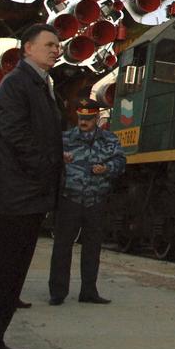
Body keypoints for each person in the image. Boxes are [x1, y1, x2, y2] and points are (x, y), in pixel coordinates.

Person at [0, 25, 64, 349]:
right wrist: (46, 166)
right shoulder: (16, 83)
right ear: (28, 48)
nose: (57, 49)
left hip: (28, 194)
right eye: (50, 44)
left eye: (58, 44)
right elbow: (14, 134)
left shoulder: (40, 84)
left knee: (12, 276)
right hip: (14, 194)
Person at [49, 101, 125, 305]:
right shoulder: (64, 139)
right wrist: (60, 159)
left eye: (88, 119)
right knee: (62, 246)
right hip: (70, 199)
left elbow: (120, 162)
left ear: (96, 118)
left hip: (95, 200)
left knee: (92, 248)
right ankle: (57, 292)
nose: (83, 122)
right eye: (81, 118)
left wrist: (107, 168)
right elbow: (47, 161)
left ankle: (89, 291)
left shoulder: (109, 139)